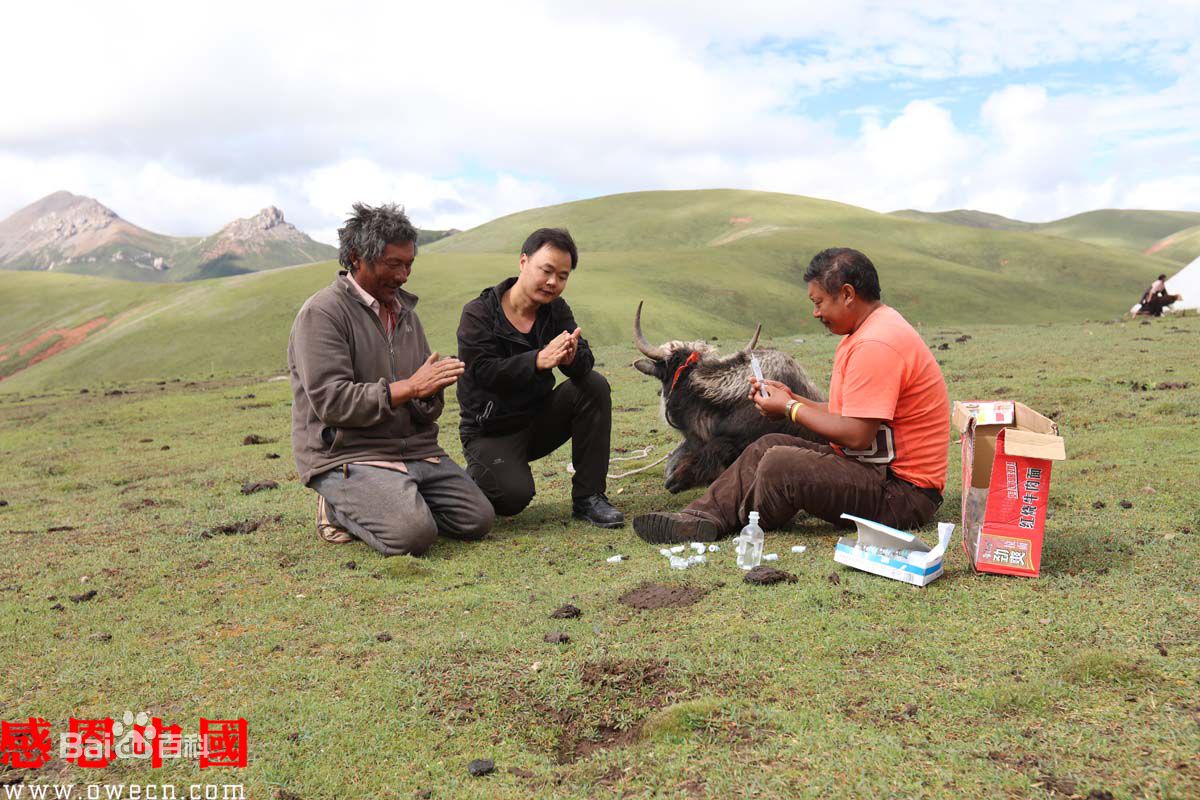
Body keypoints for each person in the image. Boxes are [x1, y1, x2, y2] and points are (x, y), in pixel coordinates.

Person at [633, 247, 949, 543]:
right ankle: (698, 518)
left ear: (848, 295)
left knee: (780, 463)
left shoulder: (876, 344)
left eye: (819, 302)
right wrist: (792, 399)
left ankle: (740, 519)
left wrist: (791, 408)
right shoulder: (869, 333)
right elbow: (847, 411)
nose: (815, 313)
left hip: (902, 494)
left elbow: (857, 435)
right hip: (877, 473)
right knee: (766, 446)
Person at [287, 202, 494, 557]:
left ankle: (393, 497)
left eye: (409, 264)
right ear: (356, 257)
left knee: (477, 520)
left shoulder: (406, 313)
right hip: (348, 454)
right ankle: (336, 508)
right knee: (413, 536)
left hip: (413, 449)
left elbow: (423, 401)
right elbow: (331, 402)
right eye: (393, 264)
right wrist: (411, 387)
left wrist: (431, 392)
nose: (403, 276)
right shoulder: (322, 314)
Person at [456, 228, 624, 528]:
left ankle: (589, 498)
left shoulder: (555, 311)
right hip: (490, 431)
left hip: (536, 421)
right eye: (546, 271)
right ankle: (474, 477)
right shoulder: (478, 313)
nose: (552, 283)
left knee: (593, 385)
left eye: (562, 276)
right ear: (523, 262)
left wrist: (573, 358)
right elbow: (482, 372)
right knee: (512, 498)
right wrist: (536, 360)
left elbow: (584, 361)